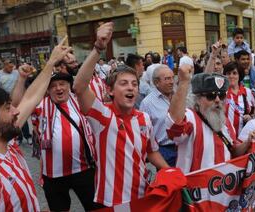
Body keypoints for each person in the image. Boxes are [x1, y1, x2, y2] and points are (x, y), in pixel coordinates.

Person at [72, 22, 169, 208]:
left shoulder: (144, 118)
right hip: (111, 202)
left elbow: (152, 151)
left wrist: (170, 171)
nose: (131, 87)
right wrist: (98, 48)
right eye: (124, 83)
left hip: (142, 196)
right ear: (110, 91)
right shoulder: (103, 115)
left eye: (134, 83)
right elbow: (79, 87)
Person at [0, 38, 72, 211]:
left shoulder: (6, 144)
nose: (17, 112)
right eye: (7, 108)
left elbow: (31, 98)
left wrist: (50, 63)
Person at [29, 72, 101, 211]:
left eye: (62, 84)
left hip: (83, 168)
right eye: (53, 86)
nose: (58, 88)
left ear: (69, 86)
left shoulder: (81, 101)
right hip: (53, 174)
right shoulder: (39, 106)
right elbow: (24, 107)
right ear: (47, 90)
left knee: (95, 208)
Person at [166, 65, 251, 173]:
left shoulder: (225, 121)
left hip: (223, 186)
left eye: (221, 96)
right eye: (211, 96)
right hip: (196, 187)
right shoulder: (190, 117)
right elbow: (174, 126)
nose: (217, 100)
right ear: (197, 98)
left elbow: (233, 151)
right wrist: (183, 82)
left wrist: (248, 141)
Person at [140, 65, 176, 166]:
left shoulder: (179, 96)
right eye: (167, 79)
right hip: (165, 151)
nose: (172, 81)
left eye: (173, 77)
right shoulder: (147, 103)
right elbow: (144, 132)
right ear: (156, 82)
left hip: (185, 148)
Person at [222, 62, 255, 136]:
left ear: (239, 75)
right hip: (226, 137)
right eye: (228, 73)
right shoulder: (221, 93)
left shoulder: (248, 92)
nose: (231, 76)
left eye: (234, 73)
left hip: (244, 137)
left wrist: (250, 117)